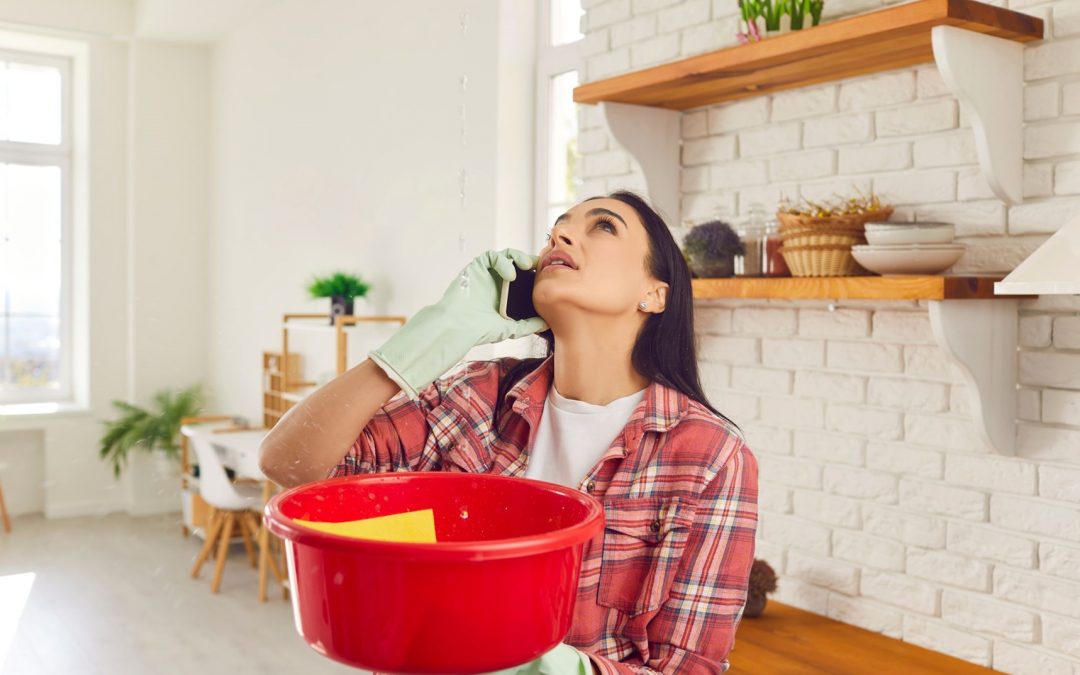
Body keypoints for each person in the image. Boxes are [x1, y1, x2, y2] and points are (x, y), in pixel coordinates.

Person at [260, 191, 759, 674]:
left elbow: (686, 667)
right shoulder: (479, 396)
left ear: (654, 294)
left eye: (602, 226)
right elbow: (289, 463)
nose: (561, 233)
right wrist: (426, 340)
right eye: (557, 228)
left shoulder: (710, 456)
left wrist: (540, 664)